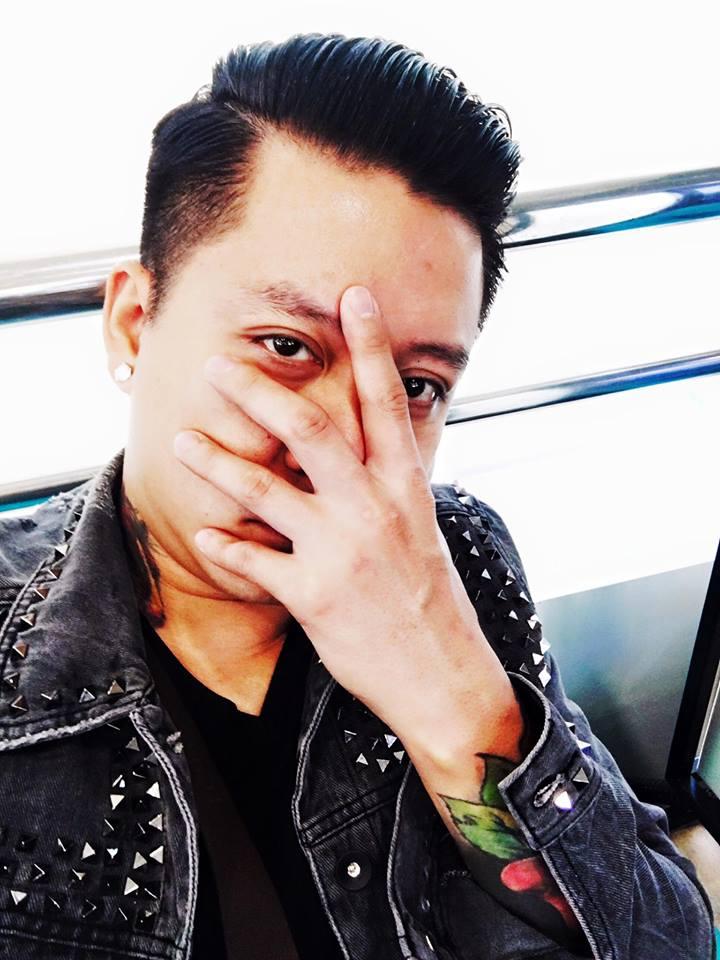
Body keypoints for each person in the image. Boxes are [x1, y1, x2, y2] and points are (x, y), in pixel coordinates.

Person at [0, 32, 714, 960]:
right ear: (136, 324)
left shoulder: (455, 559)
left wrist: (456, 699)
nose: (344, 443)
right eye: (285, 347)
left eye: (413, 386)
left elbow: (670, 938)